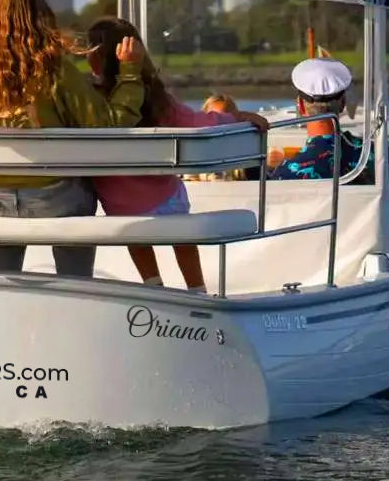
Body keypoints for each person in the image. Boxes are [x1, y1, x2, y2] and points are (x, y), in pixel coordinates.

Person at [0, 0, 148, 278]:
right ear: (41, 22)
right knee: (78, 195)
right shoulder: (56, 74)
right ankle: (74, 286)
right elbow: (108, 126)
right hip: (57, 202)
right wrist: (130, 74)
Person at [86, 18, 269, 293]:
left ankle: (153, 284)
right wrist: (237, 117)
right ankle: (197, 288)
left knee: (134, 231)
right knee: (181, 231)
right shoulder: (155, 97)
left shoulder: (90, 100)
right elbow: (196, 122)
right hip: (163, 198)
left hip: (119, 206)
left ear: (94, 58)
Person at [268, 57, 389, 250]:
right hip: (382, 263)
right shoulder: (384, 158)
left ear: (301, 106)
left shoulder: (286, 174)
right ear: (343, 103)